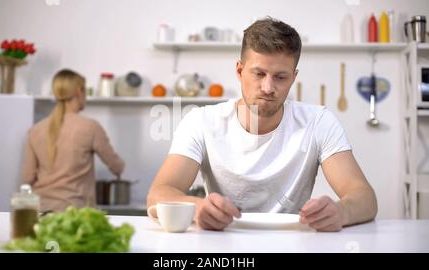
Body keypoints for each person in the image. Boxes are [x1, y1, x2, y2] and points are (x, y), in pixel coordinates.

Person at [147, 17, 378, 232]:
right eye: (259, 73)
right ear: (240, 70)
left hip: (293, 243)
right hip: (222, 243)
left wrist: (341, 212)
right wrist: (196, 208)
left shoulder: (319, 122)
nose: (268, 88)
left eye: (280, 77)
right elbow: (159, 193)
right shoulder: (201, 121)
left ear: (294, 77)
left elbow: (364, 197)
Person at [22, 69, 125, 212]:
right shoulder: (90, 127)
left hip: (39, 209)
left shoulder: (35, 130)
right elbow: (116, 165)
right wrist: (120, 168)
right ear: (79, 92)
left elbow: (28, 177)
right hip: (74, 212)